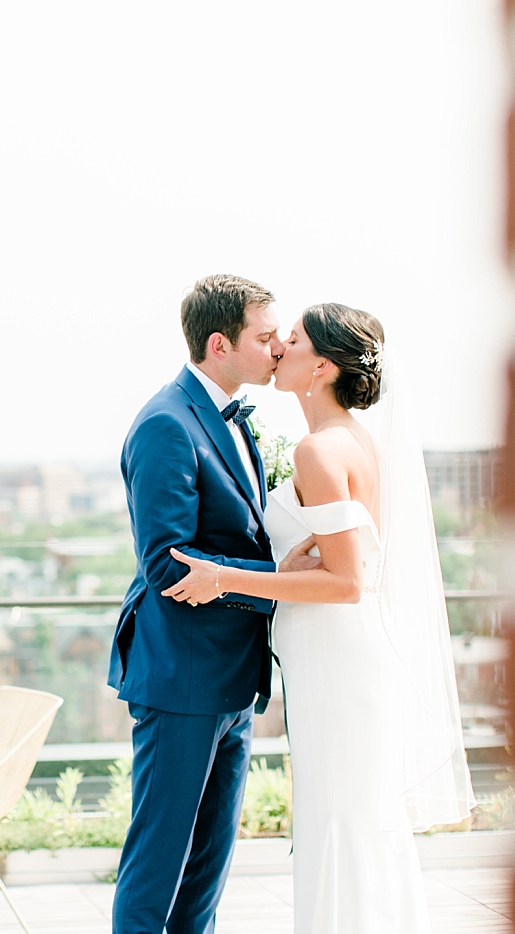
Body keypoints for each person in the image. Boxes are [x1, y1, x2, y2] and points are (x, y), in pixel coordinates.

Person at [164, 303, 476, 934]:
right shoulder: (352, 441)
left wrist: (221, 578)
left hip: (338, 665)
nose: (280, 345)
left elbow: (347, 583)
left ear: (323, 367)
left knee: (340, 819)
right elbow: (348, 558)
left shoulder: (319, 450)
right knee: (349, 820)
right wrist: (294, 559)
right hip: (334, 662)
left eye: (295, 340)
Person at [108, 275, 293, 934]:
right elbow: (168, 564)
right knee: (158, 866)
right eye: (265, 336)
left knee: (206, 876)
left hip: (233, 683)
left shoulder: (236, 420)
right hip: (183, 677)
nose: (279, 347)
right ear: (220, 344)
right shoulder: (166, 424)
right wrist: (279, 576)